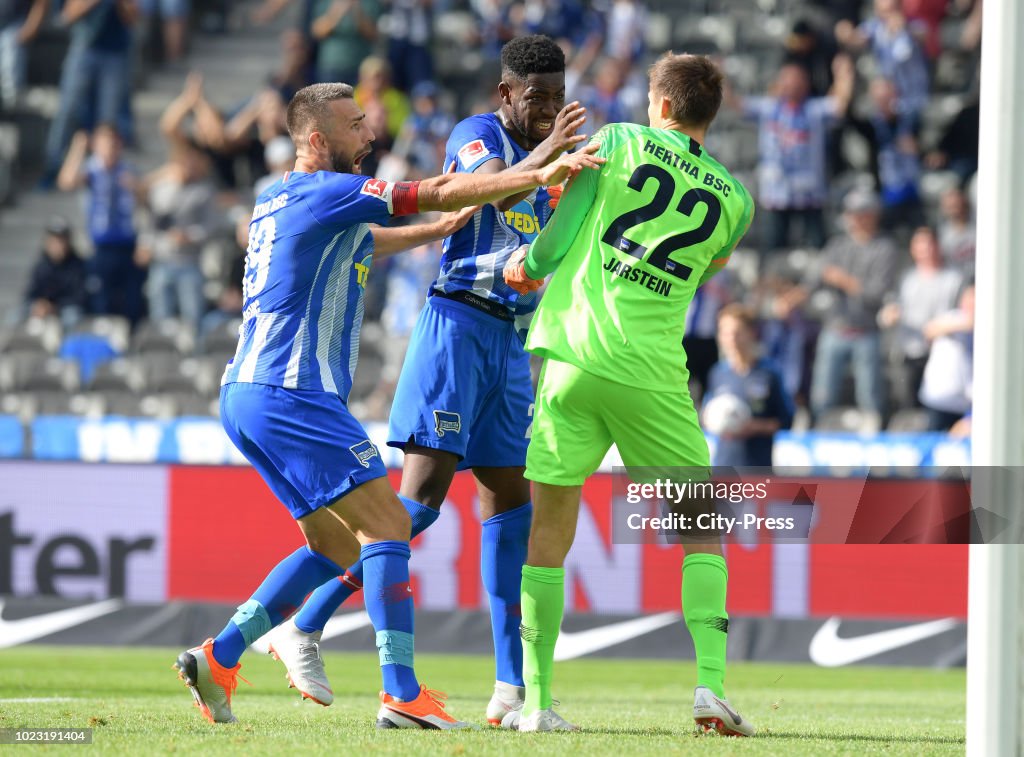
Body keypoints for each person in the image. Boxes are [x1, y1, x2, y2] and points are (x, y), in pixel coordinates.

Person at [173, 81, 602, 728]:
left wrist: (441, 230)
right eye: (354, 125)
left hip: (246, 393)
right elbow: (429, 188)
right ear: (317, 141)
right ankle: (400, 690)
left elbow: (366, 242)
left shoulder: (278, 200)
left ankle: (221, 653)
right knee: (390, 522)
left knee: (334, 543)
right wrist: (540, 165)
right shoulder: (332, 189)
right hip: (294, 392)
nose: (370, 133)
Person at [502, 52, 756, 734]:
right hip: (651, 373)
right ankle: (710, 688)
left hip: (574, 357)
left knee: (549, 532)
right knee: (700, 527)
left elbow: (561, 237)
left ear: (663, 106)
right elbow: (712, 260)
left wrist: (526, 264)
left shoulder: (615, 141)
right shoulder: (735, 200)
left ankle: (536, 703)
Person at [726, 57, 853, 252]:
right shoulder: (769, 108)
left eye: (797, 79)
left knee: (818, 249)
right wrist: (718, 76)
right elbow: (735, 102)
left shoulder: (813, 110)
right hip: (777, 194)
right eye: (787, 79)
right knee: (774, 250)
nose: (792, 84)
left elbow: (839, 104)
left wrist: (843, 75)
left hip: (810, 194)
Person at [804, 188, 900, 420]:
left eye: (860, 213)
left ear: (873, 215)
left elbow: (877, 294)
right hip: (835, 327)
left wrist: (844, 281)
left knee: (870, 397)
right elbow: (817, 278)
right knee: (822, 395)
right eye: (851, 213)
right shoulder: (837, 245)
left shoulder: (884, 248)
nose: (853, 218)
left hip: (866, 330)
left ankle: (873, 438)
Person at [57, 124, 144, 324]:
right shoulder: (92, 170)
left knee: (131, 301)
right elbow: (66, 181)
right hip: (101, 247)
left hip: (128, 245)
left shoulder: (128, 171)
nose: (110, 149)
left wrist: (138, 189)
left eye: (113, 144)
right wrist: (78, 148)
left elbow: (145, 205)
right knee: (101, 300)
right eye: (105, 144)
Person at [878, 226, 962, 410]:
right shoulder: (904, 278)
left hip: (941, 353)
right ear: (912, 248)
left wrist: (941, 327)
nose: (925, 250)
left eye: (929, 244)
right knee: (909, 407)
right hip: (910, 352)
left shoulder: (954, 278)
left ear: (938, 246)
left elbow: (962, 315)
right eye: (920, 245)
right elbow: (887, 311)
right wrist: (889, 316)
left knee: (938, 408)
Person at [705, 305, 794, 468]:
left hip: (757, 469)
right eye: (725, 333)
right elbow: (706, 415)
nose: (731, 339)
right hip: (723, 468)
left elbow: (786, 420)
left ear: (751, 333)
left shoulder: (769, 373)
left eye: (737, 333)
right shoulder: (717, 373)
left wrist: (755, 427)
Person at [22, 216, 89, 327]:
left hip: (65, 309)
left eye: (62, 240)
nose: (58, 245)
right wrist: (40, 304)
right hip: (43, 309)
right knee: (15, 315)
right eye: (55, 240)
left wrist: (54, 307)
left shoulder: (78, 265)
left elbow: (80, 298)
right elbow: (30, 293)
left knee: (72, 316)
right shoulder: (41, 265)